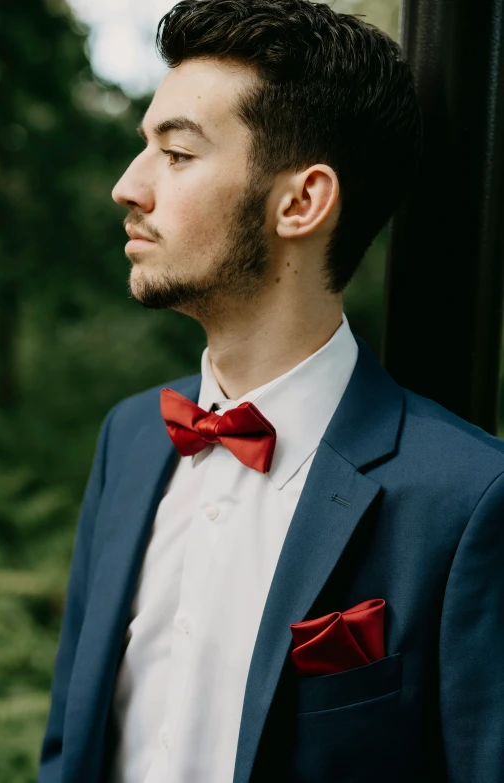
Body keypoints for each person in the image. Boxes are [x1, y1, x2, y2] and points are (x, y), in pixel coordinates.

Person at [39, 1, 504, 781]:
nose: (128, 186)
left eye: (177, 154)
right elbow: (69, 745)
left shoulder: (467, 497)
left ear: (301, 202)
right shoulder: (129, 438)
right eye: (140, 149)